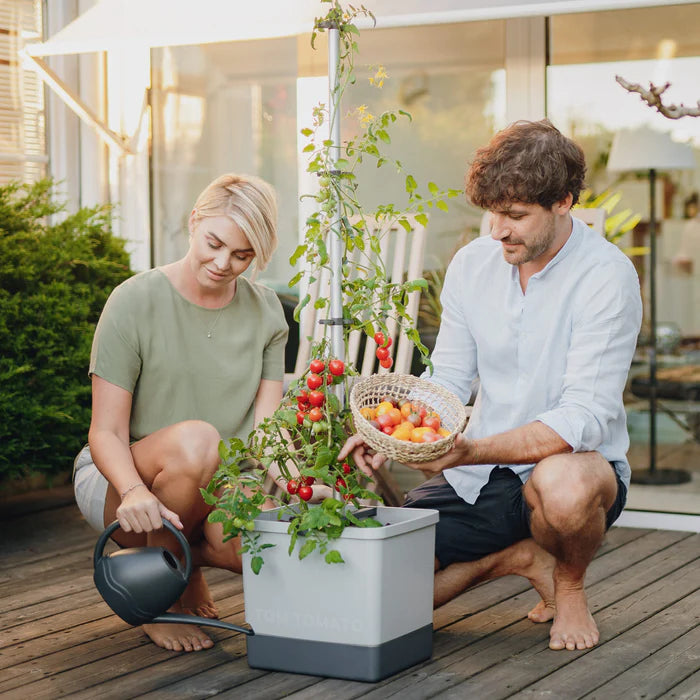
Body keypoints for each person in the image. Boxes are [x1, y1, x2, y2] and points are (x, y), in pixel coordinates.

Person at [340, 120, 643, 652]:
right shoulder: (473, 264)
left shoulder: (606, 276)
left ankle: (568, 584)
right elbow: (450, 377)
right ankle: (519, 558)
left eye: (516, 215)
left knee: (563, 487)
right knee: (376, 588)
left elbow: (584, 417)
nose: (498, 230)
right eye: (493, 212)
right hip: (479, 476)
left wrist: (468, 449)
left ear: (564, 202)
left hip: (574, 471)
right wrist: (400, 431)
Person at [73, 173, 290, 653]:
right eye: (214, 243)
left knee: (262, 538)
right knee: (198, 440)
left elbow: (267, 431)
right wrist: (131, 490)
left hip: (220, 476)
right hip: (124, 476)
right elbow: (105, 431)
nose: (223, 263)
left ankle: (182, 556)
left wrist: (297, 484)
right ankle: (159, 596)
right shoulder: (134, 300)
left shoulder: (268, 311)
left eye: (242, 255)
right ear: (195, 221)